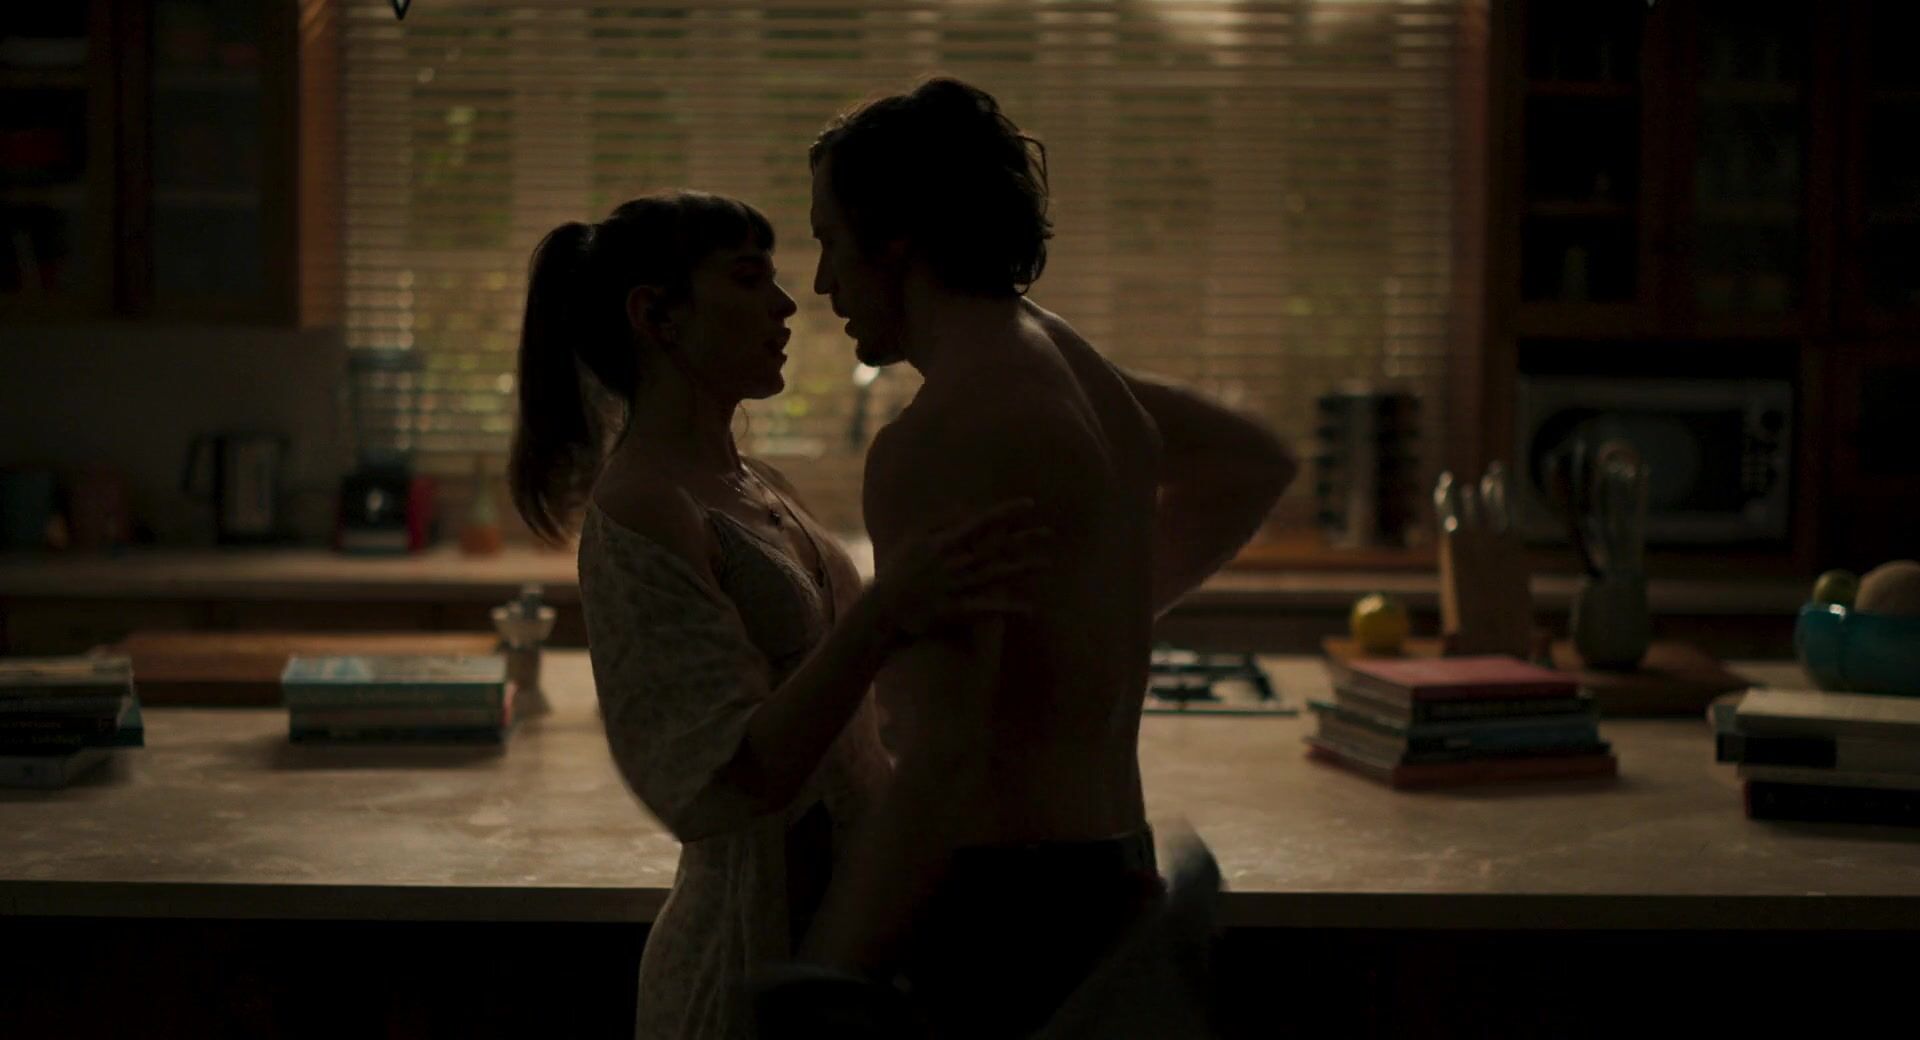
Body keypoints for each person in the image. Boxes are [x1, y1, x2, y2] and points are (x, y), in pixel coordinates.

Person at [792, 78, 1298, 1036]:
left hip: (1003, 909)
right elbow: (1251, 460)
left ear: (894, 240)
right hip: (1111, 876)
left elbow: (942, 765)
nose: (821, 283)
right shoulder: (1069, 364)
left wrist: (819, 976)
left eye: (829, 240)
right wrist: (1096, 606)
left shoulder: (939, 435)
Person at [507, 190, 1051, 1040]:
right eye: (748, 278)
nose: (788, 303)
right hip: (738, 980)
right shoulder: (642, 510)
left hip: (834, 963)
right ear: (657, 316)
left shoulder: (761, 485)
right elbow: (731, 783)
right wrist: (887, 612)